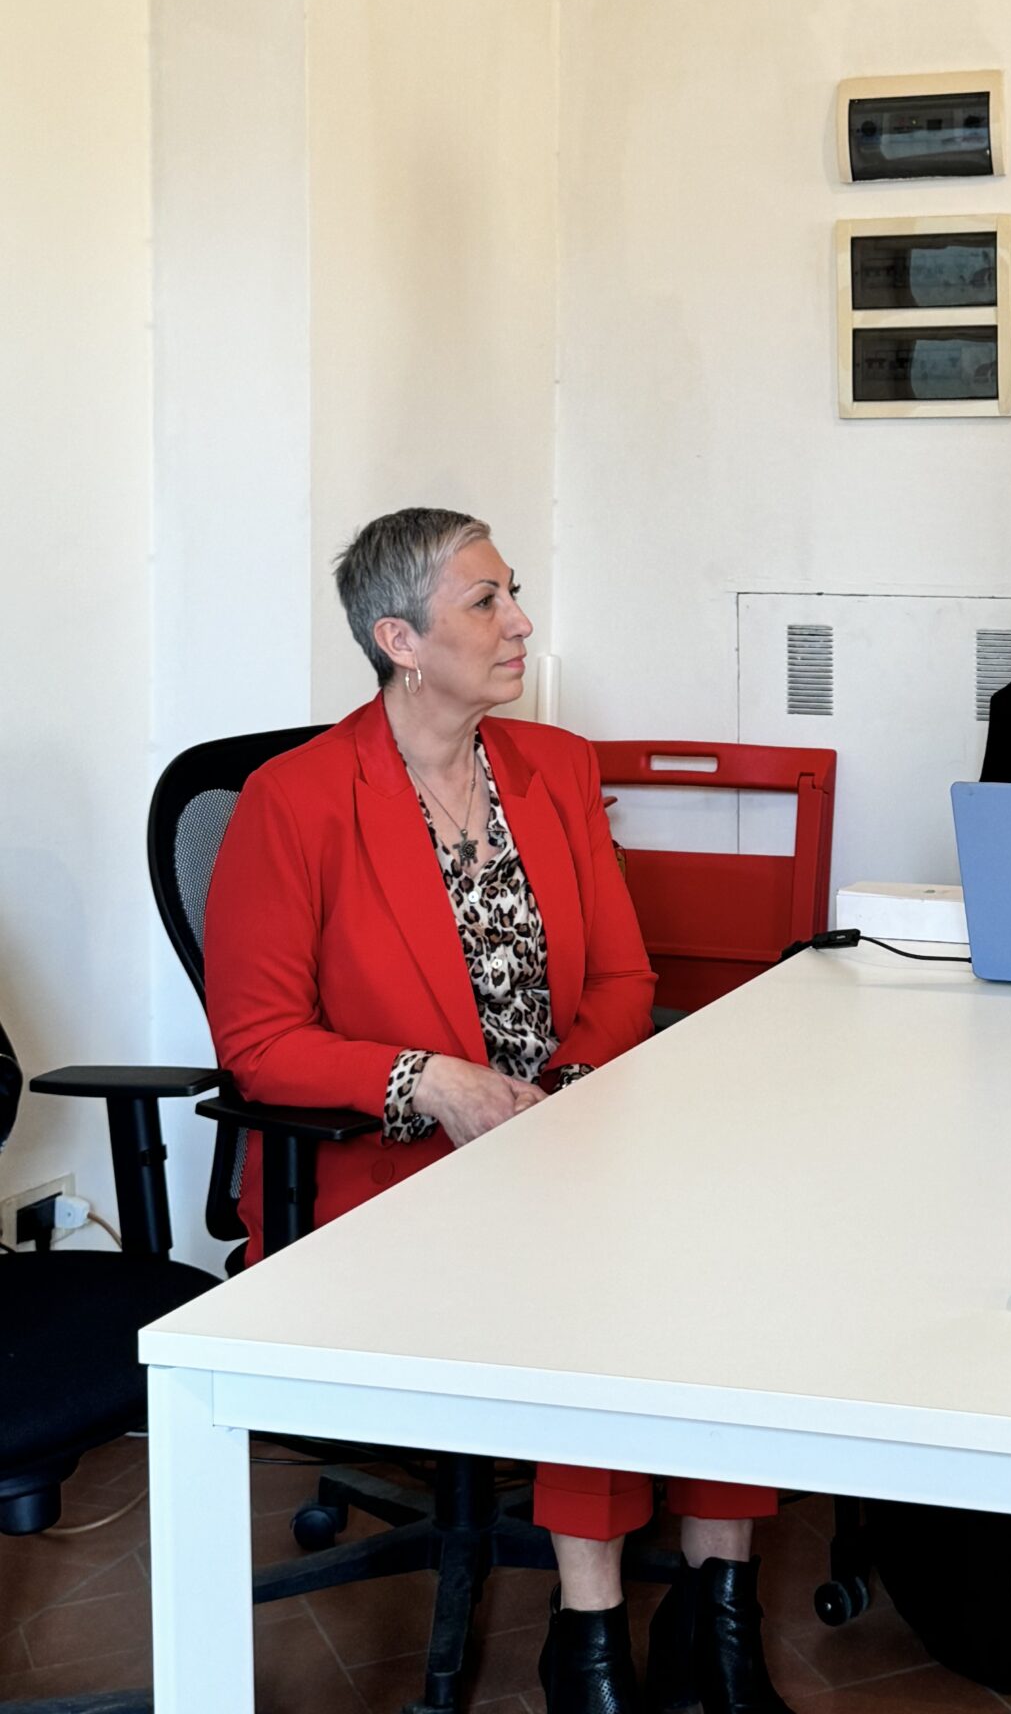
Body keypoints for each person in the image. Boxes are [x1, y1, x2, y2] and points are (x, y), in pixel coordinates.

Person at [203, 507, 788, 1714]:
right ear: (400, 640)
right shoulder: (294, 800)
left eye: (513, 590)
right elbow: (257, 1043)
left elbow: (622, 976)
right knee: (596, 1278)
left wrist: (563, 1093)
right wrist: (432, 1079)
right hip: (386, 1187)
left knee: (734, 1237)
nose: (521, 621)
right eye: (486, 601)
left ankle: (718, 1611)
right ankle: (590, 1634)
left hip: (567, 1141)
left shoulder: (555, 768)